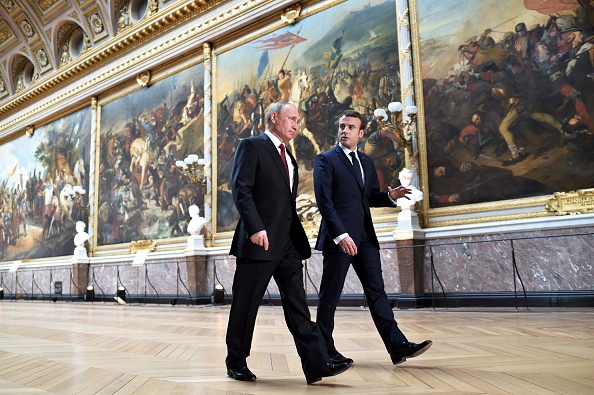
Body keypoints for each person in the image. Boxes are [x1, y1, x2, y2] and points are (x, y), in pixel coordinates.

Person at [226, 102, 351, 385]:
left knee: (298, 306)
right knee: (246, 305)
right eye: (291, 118)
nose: (296, 124)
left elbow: (286, 204)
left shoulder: (290, 158)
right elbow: (241, 190)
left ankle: (316, 364)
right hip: (259, 242)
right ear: (274, 117)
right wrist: (255, 227)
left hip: (288, 245)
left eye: (298, 120)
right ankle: (236, 362)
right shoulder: (251, 146)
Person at [313, 109, 432, 366]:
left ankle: (397, 346)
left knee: (377, 292)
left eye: (350, 127)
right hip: (340, 238)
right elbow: (325, 202)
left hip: (365, 236)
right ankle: (323, 350)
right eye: (342, 126)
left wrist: (391, 197)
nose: (344, 130)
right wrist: (340, 234)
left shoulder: (366, 162)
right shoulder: (326, 160)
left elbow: (368, 198)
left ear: (361, 132)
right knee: (330, 295)